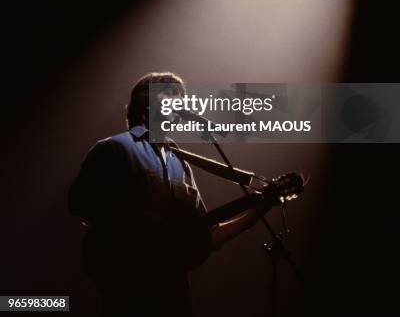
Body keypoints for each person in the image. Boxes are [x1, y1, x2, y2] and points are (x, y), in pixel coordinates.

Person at [68, 72, 267, 316]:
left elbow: (207, 234)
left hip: (174, 293)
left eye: (181, 97)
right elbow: (79, 203)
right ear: (147, 104)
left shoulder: (181, 164)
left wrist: (261, 207)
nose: (181, 103)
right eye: (171, 95)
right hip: (127, 287)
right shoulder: (116, 147)